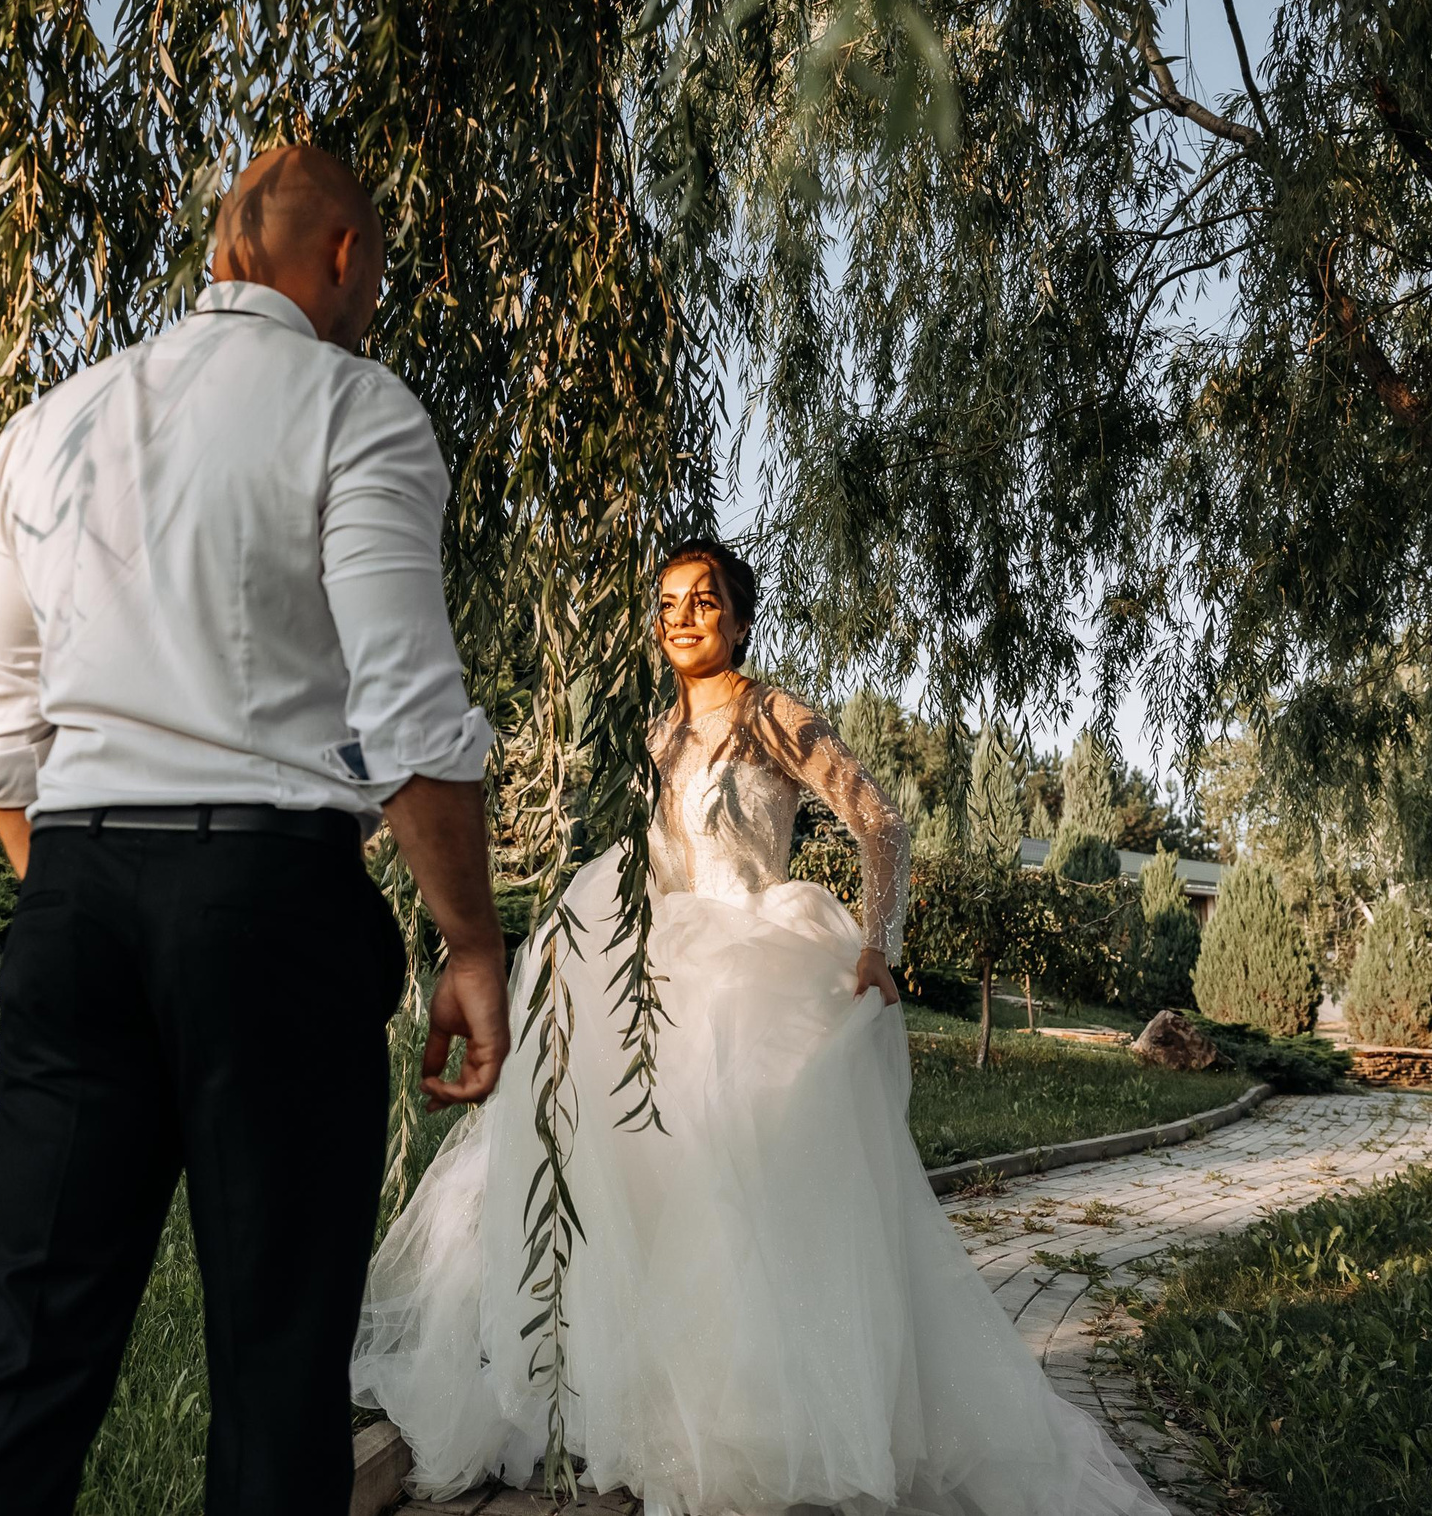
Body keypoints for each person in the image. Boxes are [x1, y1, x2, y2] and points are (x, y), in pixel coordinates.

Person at [0, 143, 512, 1516]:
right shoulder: (354, 409)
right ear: (347, 257)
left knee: (26, 1338)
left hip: (69, 897)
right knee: (275, 1353)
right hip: (268, 906)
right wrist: (470, 940)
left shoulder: (47, 424)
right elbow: (414, 715)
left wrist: (93, 882)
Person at [353, 539, 1166, 1516]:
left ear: (738, 616)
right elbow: (658, 857)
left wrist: (878, 939)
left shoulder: (774, 711)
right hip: (668, 960)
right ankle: (647, 1400)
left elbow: (880, 818)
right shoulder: (655, 734)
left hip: (756, 954)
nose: (683, 616)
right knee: (645, 1169)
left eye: (704, 599)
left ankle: (755, 1414)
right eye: (666, 603)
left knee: (744, 1174)